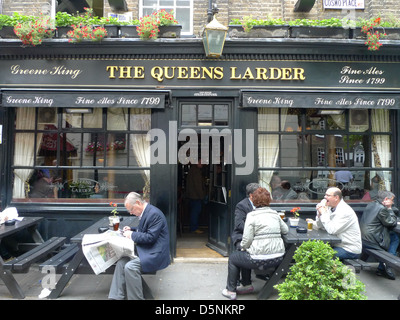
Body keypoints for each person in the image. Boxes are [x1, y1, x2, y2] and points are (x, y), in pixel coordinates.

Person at [222, 187, 288, 300]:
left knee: (234, 258)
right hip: (278, 258)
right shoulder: (275, 214)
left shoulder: (251, 216)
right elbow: (285, 230)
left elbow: (246, 241)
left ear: (253, 200)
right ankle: (246, 285)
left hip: (258, 259)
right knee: (244, 253)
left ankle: (231, 290)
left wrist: (242, 247)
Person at [108, 192, 170, 300]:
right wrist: (131, 229)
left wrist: (131, 235)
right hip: (147, 250)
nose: (131, 213)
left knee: (130, 267)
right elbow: (145, 230)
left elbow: (150, 237)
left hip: (155, 253)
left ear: (137, 203)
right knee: (121, 263)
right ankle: (115, 297)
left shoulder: (154, 214)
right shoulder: (146, 212)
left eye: (131, 209)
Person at [360, 190, 399, 280]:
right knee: (396, 238)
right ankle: (387, 266)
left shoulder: (371, 204)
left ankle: (382, 267)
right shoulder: (382, 208)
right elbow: (392, 223)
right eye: (391, 200)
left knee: (393, 236)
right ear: (386, 199)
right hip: (372, 241)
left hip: (364, 239)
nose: (392, 202)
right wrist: (389, 208)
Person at [314, 187, 362, 260]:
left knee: (319, 256)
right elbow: (320, 226)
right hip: (337, 245)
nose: (325, 197)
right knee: (313, 251)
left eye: (328, 195)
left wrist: (324, 213)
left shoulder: (345, 211)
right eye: (325, 195)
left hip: (348, 249)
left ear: (336, 197)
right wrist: (320, 213)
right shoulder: (330, 207)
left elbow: (332, 230)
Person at [231, 182, 260, 286]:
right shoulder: (241, 205)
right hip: (241, 236)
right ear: (251, 195)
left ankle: (264, 272)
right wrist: (255, 230)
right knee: (243, 250)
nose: (261, 195)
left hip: (257, 237)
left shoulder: (262, 204)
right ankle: (244, 281)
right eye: (258, 193)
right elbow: (239, 225)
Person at [186, 161, 206, 233]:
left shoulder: (192, 170)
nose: (203, 164)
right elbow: (198, 186)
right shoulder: (196, 171)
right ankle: (194, 228)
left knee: (194, 212)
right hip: (196, 196)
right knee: (195, 212)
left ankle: (193, 227)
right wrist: (202, 196)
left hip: (192, 195)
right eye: (201, 162)